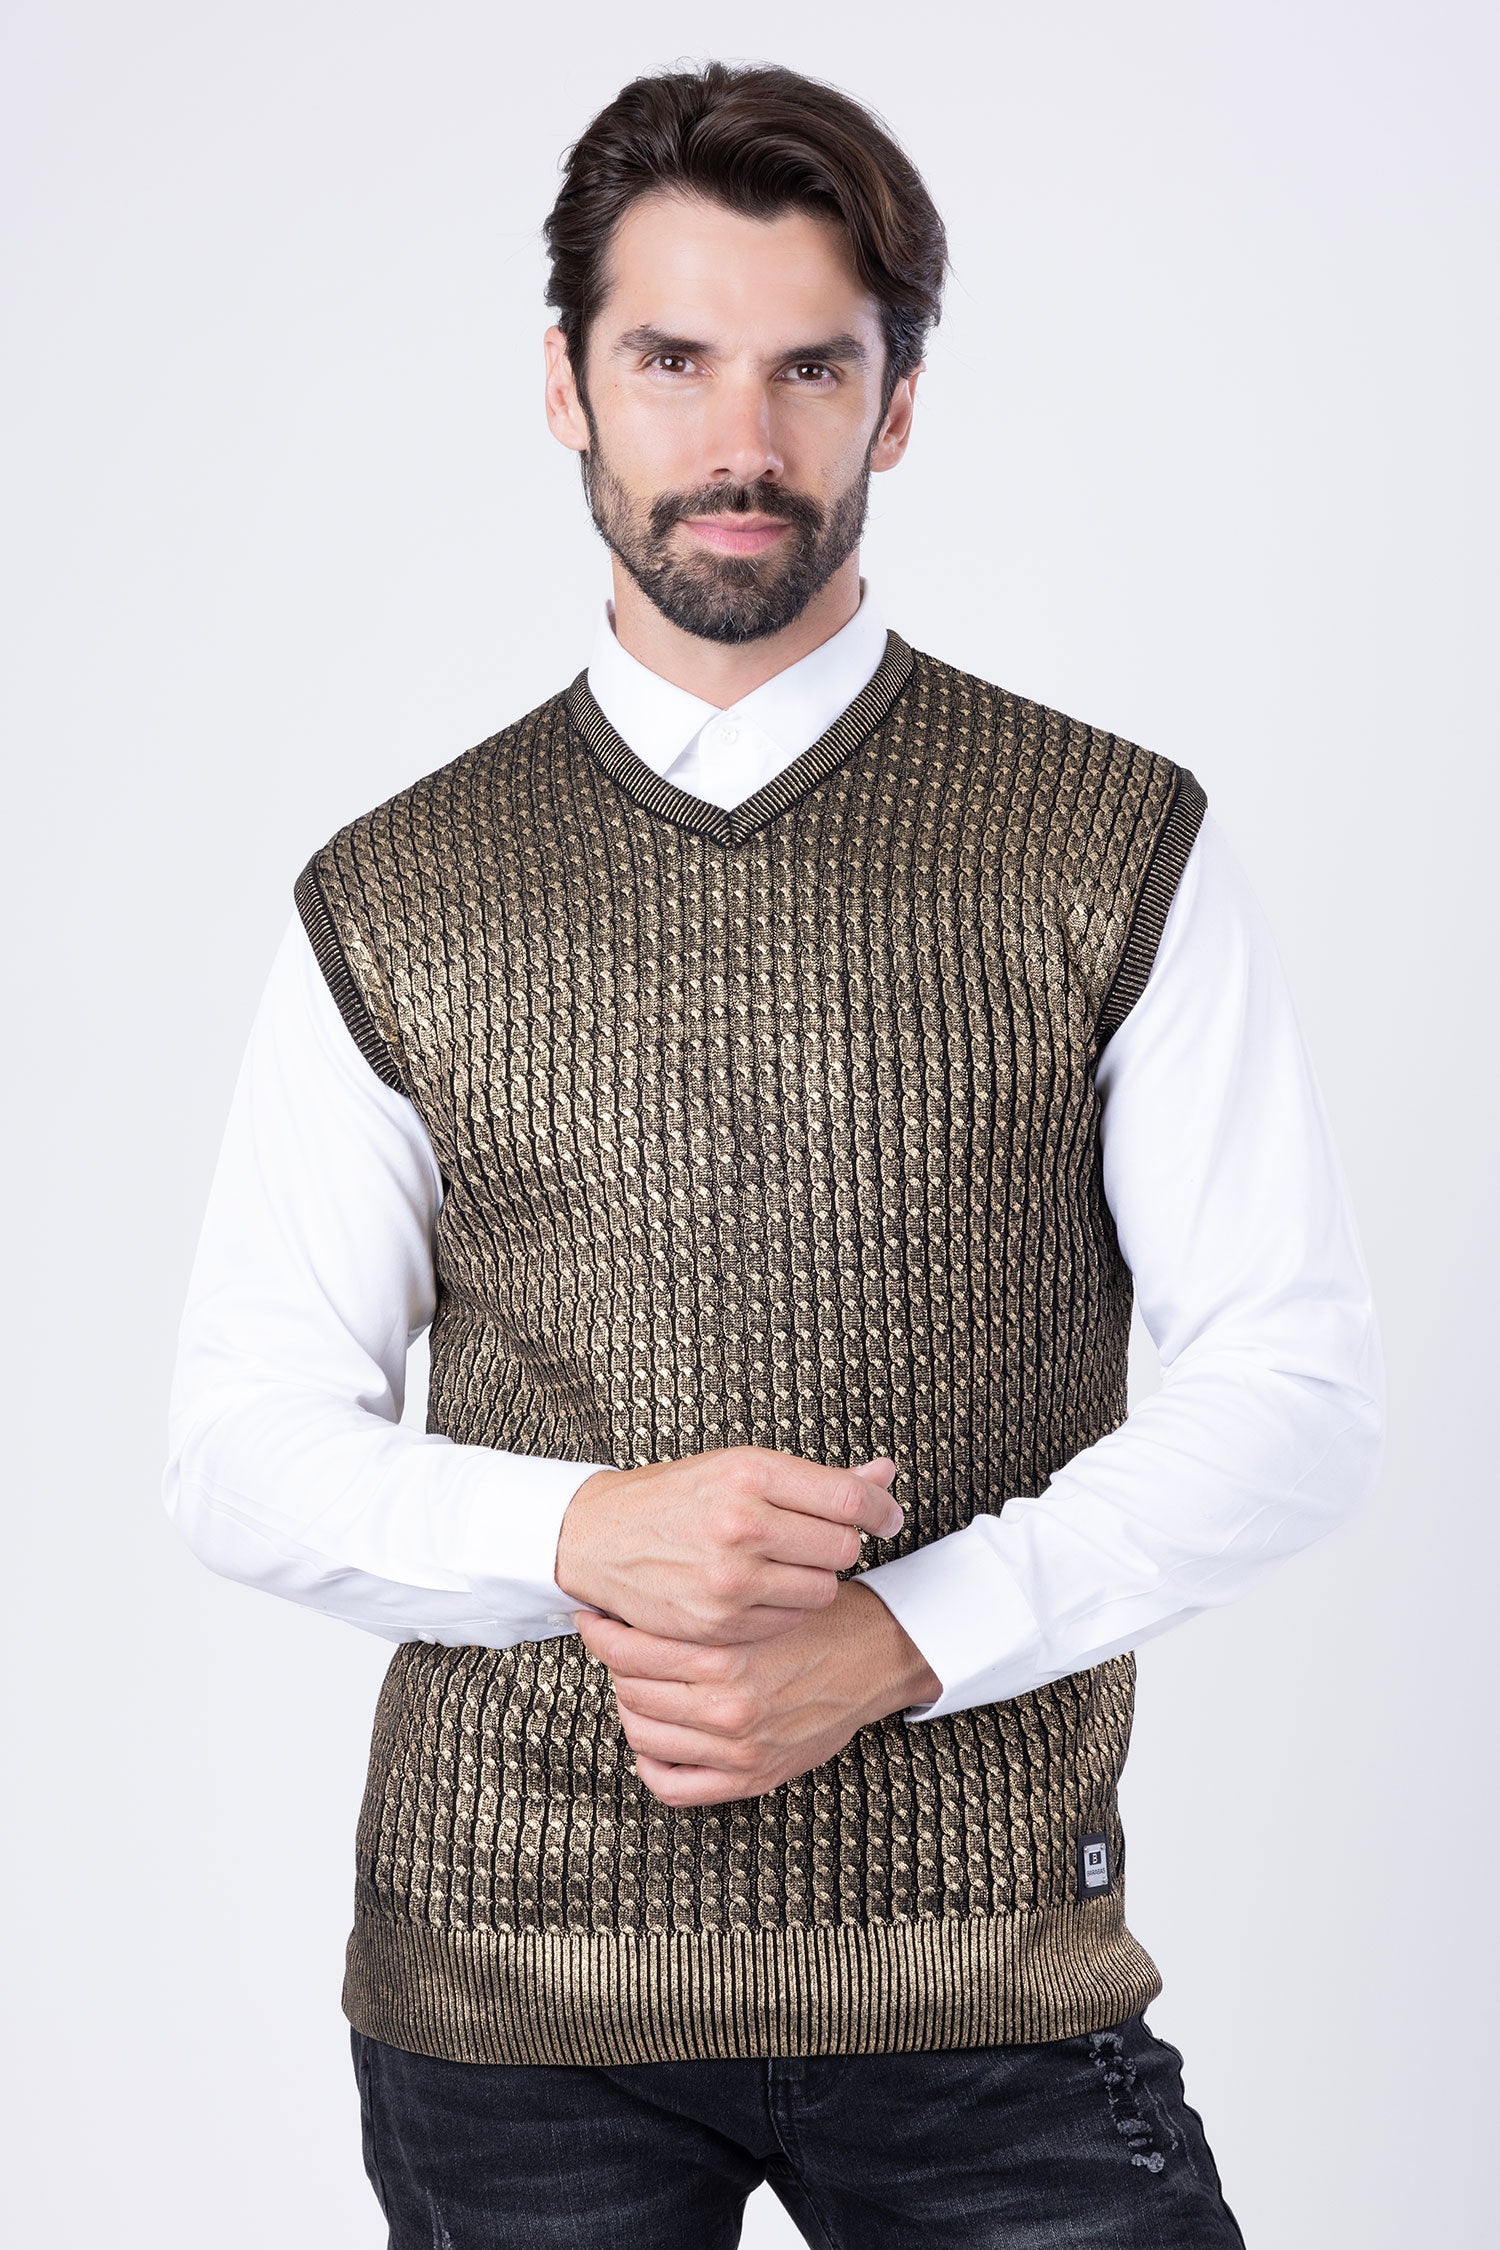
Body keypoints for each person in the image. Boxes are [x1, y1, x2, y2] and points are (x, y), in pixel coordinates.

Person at [162, 57, 1385, 2249]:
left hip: (981, 1970)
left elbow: (1295, 1395)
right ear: (568, 384)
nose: (741, 440)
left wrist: (900, 1637)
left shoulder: (1106, 841)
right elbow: (240, 1448)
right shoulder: (400, 889)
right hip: (512, 1990)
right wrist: (587, 1529)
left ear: (894, 404)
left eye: (810, 367)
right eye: (674, 361)